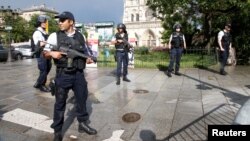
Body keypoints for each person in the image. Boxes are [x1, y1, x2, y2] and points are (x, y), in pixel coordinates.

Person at [43, 11, 97, 141]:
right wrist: (51, 54)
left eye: (63, 20)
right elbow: (44, 53)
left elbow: (84, 52)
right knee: (60, 103)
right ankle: (57, 131)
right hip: (63, 74)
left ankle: (82, 123)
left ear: (71, 22)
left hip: (78, 74)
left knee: (82, 99)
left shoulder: (81, 36)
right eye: (59, 21)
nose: (59, 23)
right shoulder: (54, 36)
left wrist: (88, 59)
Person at [32, 15, 52, 92]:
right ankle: (41, 85)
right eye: (44, 22)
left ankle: (38, 83)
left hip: (46, 53)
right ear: (40, 23)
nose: (46, 24)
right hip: (41, 53)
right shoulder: (37, 32)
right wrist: (48, 42)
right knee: (43, 70)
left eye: (45, 22)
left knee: (48, 67)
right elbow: (39, 44)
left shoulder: (44, 32)